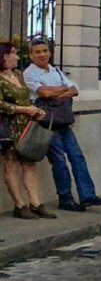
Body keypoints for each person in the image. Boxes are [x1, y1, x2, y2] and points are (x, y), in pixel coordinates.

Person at [24, 39, 101, 212]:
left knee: (77, 157)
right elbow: (44, 93)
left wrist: (55, 91)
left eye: (45, 51)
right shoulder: (30, 73)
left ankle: (87, 195)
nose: (42, 54)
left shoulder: (55, 70)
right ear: (31, 55)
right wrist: (61, 90)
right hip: (47, 124)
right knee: (59, 161)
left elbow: (74, 90)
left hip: (63, 121)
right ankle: (65, 198)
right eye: (38, 52)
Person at [0, 42, 55, 219]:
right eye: (14, 53)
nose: (17, 56)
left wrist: (34, 110)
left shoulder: (19, 75)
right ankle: (19, 204)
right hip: (8, 127)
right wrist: (23, 110)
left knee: (29, 164)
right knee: (11, 165)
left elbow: (26, 97)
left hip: (25, 125)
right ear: (4, 57)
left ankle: (36, 203)